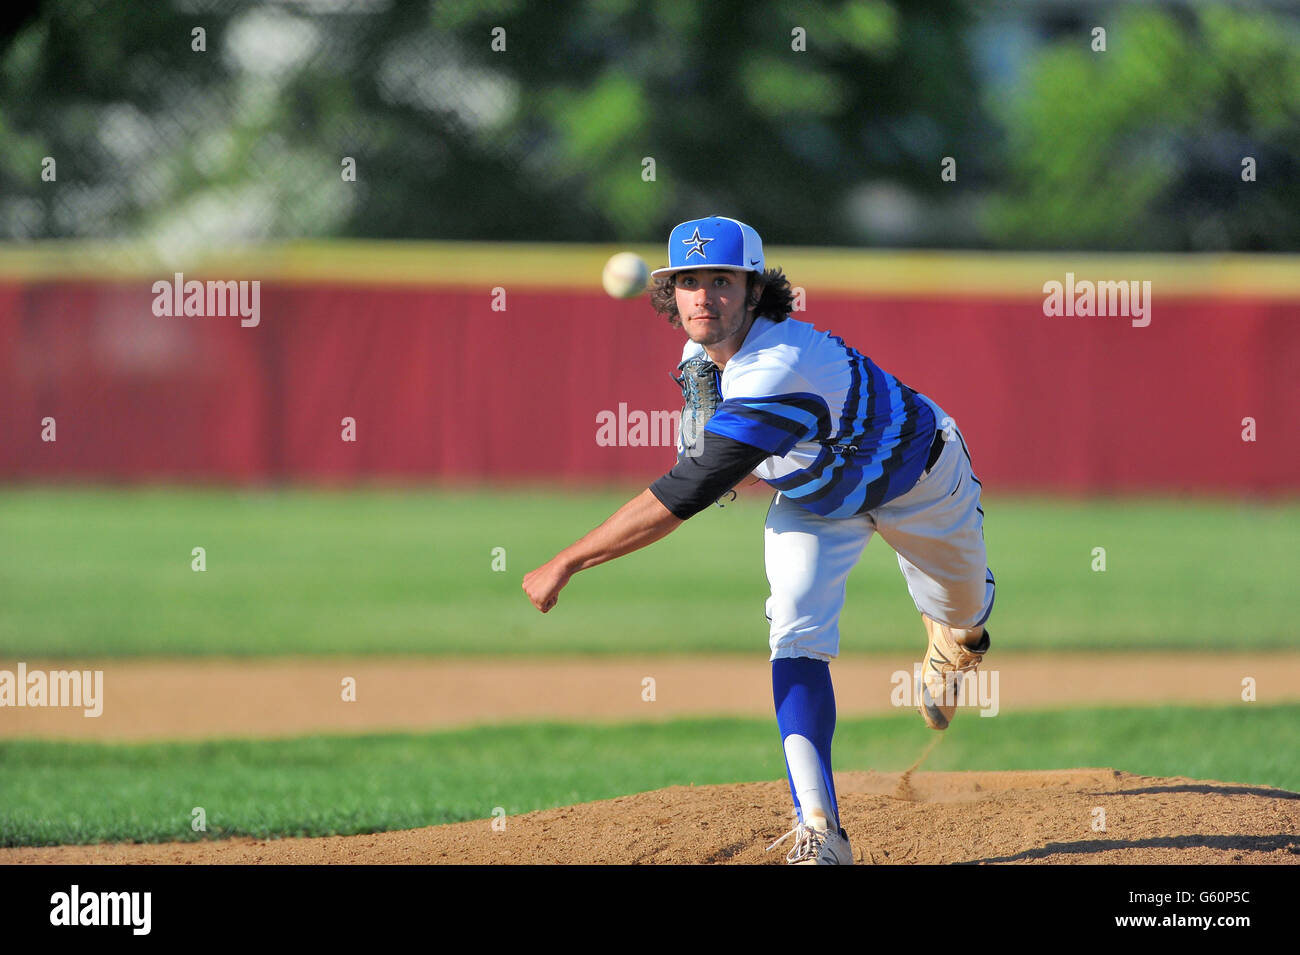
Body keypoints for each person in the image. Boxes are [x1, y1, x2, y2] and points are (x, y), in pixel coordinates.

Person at [522, 215, 996, 865]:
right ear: (670, 293)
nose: (704, 296)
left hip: (919, 483)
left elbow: (684, 492)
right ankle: (820, 829)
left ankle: (954, 637)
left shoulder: (778, 367)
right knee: (794, 630)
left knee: (966, 615)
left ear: (754, 290)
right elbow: (703, 441)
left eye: (722, 280)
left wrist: (567, 560)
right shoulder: (705, 350)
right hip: (814, 500)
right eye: (687, 282)